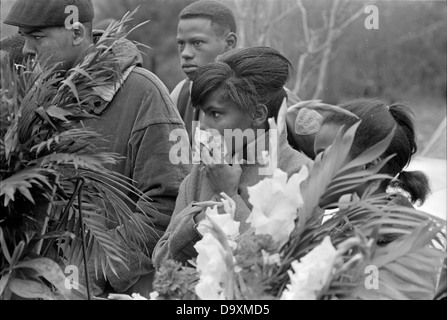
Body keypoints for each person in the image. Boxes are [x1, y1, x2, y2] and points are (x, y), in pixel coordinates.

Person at [4, 0, 190, 297]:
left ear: (77, 32)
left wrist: (95, 270)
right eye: (24, 36)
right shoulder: (37, 94)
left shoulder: (143, 93)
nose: (26, 48)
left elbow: (169, 202)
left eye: (37, 37)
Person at [152, 46, 313, 268]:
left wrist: (227, 195)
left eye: (215, 113)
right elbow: (161, 263)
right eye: (201, 113)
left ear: (257, 115)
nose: (203, 125)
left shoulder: (301, 174)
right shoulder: (203, 172)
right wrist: (197, 221)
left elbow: (275, 270)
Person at [313, 98, 443, 299]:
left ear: (370, 162)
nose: (314, 167)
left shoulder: (395, 246)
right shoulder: (344, 223)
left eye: (324, 156)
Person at [170, 0, 238, 145]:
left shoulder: (265, 94)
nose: (186, 54)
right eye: (181, 43)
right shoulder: (181, 94)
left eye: (197, 43)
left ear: (230, 43)